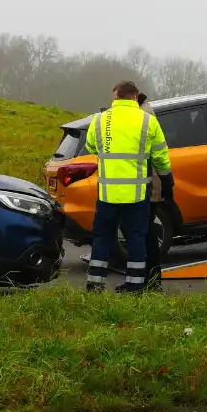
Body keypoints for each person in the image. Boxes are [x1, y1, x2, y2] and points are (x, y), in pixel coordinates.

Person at [85, 81, 174, 292]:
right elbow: (160, 155)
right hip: (137, 195)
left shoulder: (100, 120)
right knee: (136, 239)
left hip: (108, 194)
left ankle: (95, 285)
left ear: (115, 96)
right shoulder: (147, 121)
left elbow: (89, 146)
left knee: (102, 238)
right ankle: (135, 287)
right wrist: (168, 180)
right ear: (135, 98)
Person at [137, 92, 169, 290]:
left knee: (145, 235)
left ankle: (152, 280)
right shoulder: (146, 113)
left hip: (147, 188)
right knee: (145, 233)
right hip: (149, 186)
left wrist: (167, 181)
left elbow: (157, 155)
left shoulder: (144, 117)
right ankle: (150, 279)